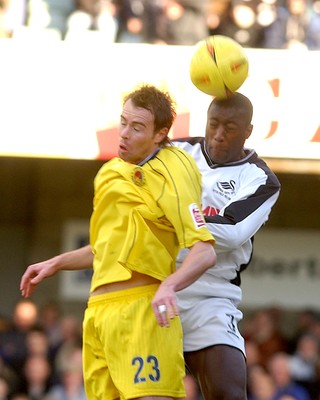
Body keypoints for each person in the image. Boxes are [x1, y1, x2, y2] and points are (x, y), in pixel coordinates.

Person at [20, 84, 216, 400]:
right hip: (98, 315)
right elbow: (103, 248)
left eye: (137, 127)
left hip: (142, 311)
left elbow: (204, 251)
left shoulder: (175, 167)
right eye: (122, 122)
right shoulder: (109, 173)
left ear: (160, 133)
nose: (124, 133)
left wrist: (169, 286)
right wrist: (55, 263)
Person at [173, 93, 281, 400]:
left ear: (248, 130)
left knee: (229, 391)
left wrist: (169, 217)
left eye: (230, 128)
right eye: (213, 124)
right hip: (155, 283)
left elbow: (232, 232)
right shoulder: (176, 152)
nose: (219, 135)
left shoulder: (260, 179)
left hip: (211, 294)